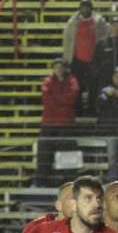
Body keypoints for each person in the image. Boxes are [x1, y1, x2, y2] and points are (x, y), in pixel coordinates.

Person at [37, 58, 80, 186]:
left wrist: (55, 97)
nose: (59, 70)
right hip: (49, 124)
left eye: (61, 67)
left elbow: (72, 98)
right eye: (56, 67)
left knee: (68, 155)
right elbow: (47, 100)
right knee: (44, 155)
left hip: (66, 124)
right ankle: (42, 181)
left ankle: (70, 182)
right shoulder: (47, 81)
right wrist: (63, 100)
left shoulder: (72, 80)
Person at [62, 0, 108, 112]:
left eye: (87, 6)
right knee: (77, 86)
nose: (85, 9)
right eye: (83, 7)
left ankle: (92, 108)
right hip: (77, 59)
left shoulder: (99, 21)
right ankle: (78, 109)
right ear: (79, 8)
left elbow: (105, 38)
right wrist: (67, 58)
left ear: (91, 8)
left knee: (93, 86)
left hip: (94, 60)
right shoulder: (72, 22)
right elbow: (67, 41)